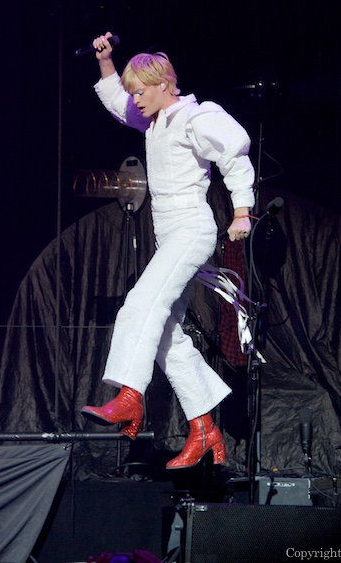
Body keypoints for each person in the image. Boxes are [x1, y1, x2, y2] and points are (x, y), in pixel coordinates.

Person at [80, 31, 256, 470]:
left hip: (191, 230)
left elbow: (235, 153)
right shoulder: (154, 121)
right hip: (169, 235)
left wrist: (242, 211)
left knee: (139, 303)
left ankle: (129, 395)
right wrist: (106, 62)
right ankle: (204, 428)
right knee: (165, 336)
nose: (136, 99)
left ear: (164, 84)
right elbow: (120, 106)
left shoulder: (194, 118)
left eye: (141, 91)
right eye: (134, 92)